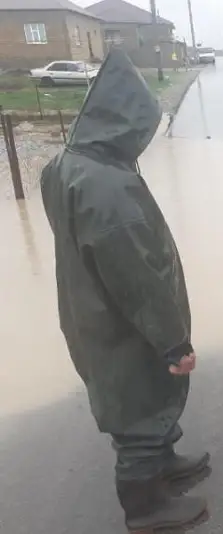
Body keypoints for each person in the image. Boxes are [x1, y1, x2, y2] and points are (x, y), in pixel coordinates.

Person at [40, 49, 208, 531]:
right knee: (138, 403)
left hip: (87, 308)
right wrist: (173, 341)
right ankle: (145, 508)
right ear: (123, 122)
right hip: (122, 320)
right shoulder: (109, 187)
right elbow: (137, 276)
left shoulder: (65, 164)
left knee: (140, 394)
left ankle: (165, 462)